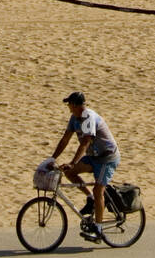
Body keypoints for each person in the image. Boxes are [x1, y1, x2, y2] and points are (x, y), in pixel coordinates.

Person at [50, 91, 121, 242]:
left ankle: (99, 230)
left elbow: (85, 142)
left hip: (107, 158)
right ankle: (90, 199)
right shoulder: (74, 118)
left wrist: (73, 162)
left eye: (69, 104)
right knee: (70, 173)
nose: (68, 106)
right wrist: (52, 158)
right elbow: (65, 139)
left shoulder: (88, 117)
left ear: (75, 105)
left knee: (98, 190)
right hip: (94, 157)